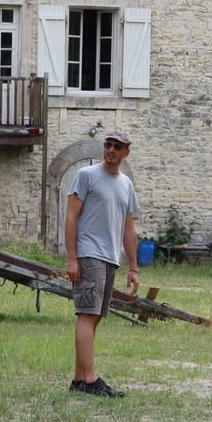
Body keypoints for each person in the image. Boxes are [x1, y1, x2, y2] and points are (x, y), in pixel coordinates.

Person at [64, 129, 140, 397]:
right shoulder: (86, 176)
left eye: (117, 147)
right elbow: (71, 218)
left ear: (125, 152)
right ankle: (92, 380)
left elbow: (128, 229)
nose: (111, 150)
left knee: (94, 318)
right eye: (108, 145)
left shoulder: (126, 184)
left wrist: (133, 267)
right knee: (86, 314)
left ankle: (79, 380)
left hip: (110, 257)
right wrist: (72, 259)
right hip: (89, 254)